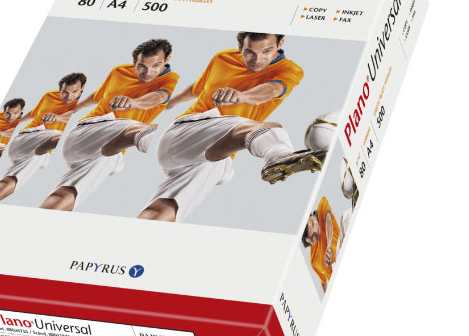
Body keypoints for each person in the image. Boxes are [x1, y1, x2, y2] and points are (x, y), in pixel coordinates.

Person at [138, 32, 325, 222]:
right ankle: (279, 155)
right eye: (249, 52)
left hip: (215, 156)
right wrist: (170, 103)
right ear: (240, 46)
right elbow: (198, 87)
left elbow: (273, 89)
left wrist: (242, 96)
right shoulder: (222, 58)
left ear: (280, 44)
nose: (257, 60)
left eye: (266, 51)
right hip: (183, 135)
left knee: (167, 207)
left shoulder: (289, 70)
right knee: (266, 128)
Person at [40, 39, 178, 211]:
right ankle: (141, 137)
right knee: (138, 131)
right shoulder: (119, 71)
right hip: (86, 131)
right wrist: (69, 112)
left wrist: (133, 102)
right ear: (134, 61)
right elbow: (96, 97)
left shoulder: (171, 80)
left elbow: (159, 97)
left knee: (67, 193)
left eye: (156, 65)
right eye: (142, 66)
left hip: (102, 151)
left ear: (167, 59)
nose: (147, 72)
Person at [0, 73, 86, 204]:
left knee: (3, 185)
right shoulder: (49, 96)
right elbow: (34, 113)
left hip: (28, 146)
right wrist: (15, 123)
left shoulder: (78, 104)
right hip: (30, 136)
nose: (69, 96)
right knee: (56, 140)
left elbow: (75, 110)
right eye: (65, 92)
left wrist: (58, 117)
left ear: (82, 89)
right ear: (60, 89)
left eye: (74, 92)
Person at [302, 196, 341, 293]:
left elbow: (328, 219)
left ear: (311, 214)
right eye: (312, 237)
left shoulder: (322, 206)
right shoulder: (313, 261)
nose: (316, 231)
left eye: (313, 224)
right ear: (309, 244)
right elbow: (323, 282)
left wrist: (329, 246)